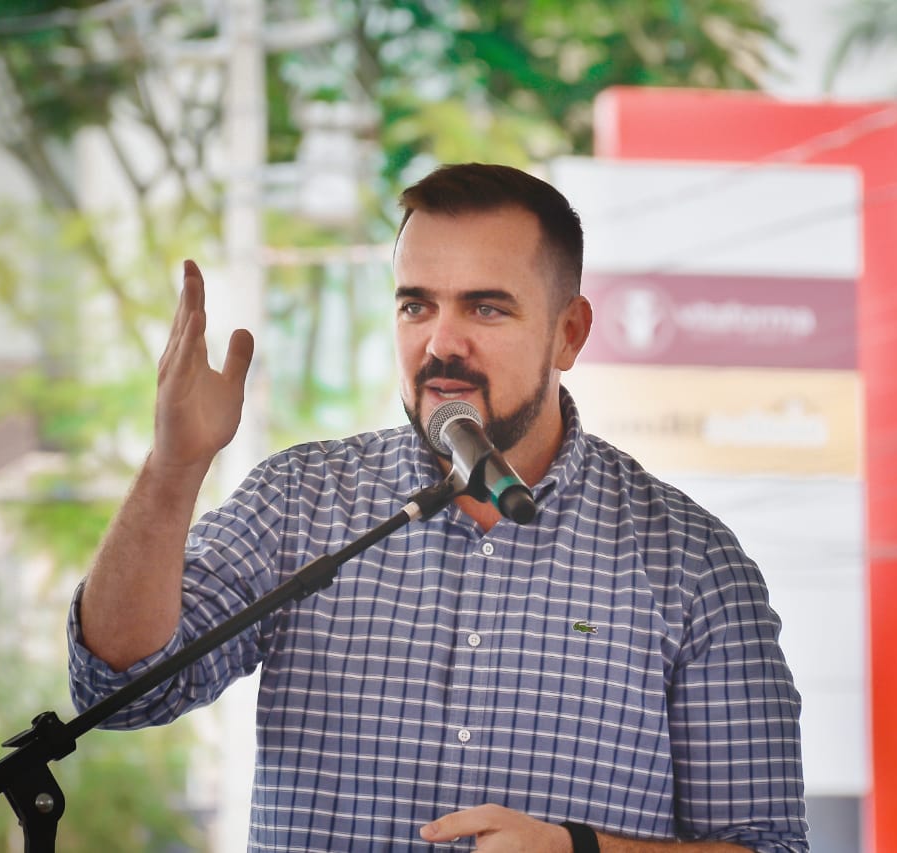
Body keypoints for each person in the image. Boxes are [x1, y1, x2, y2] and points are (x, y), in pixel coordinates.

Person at [68, 163, 808, 852]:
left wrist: (582, 849)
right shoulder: (301, 500)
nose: (440, 343)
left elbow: (771, 843)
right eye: (415, 305)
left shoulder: (692, 562)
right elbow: (122, 687)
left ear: (569, 332)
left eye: (486, 308)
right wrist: (174, 467)